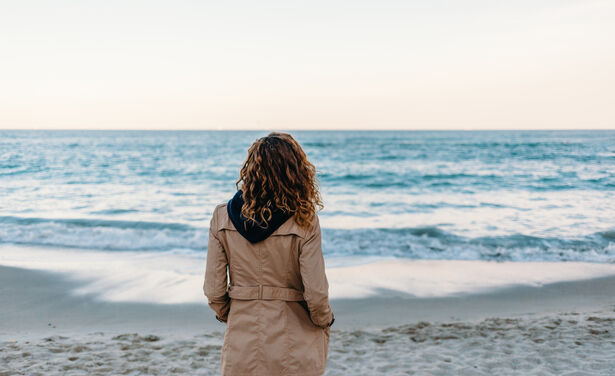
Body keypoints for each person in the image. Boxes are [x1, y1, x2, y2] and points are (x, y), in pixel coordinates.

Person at [204, 132, 335, 376]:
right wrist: (324, 320)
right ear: (295, 171)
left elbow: (213, 290)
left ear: (250, 170)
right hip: (295, 339)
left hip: (242, 337)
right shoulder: (304, 220)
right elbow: (316, 293)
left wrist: (234, 312)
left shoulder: (222, 217)